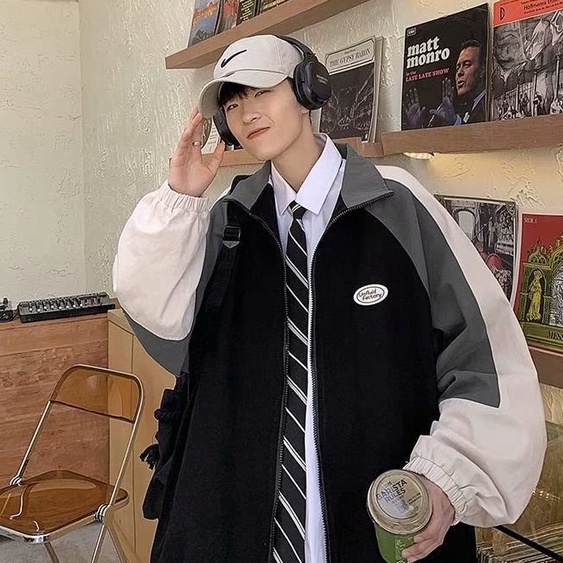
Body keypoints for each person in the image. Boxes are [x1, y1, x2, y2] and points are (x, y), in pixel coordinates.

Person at [113, 34, 546, 563]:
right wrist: (180, 196)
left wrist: (445, 479)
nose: (246, 112)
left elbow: (485, 361)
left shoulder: (398, 204)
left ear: (307, 90)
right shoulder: (229, 221)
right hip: (238, 516)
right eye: (233, 101)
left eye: (260, 91)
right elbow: (163, 326)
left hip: (378, 520)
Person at [404, 39, 487, 128]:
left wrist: (455, 121)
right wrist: (417, 128)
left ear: (482, 70)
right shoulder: (461, 110)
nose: (459, 72)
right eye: (457, 68)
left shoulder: (490, 105)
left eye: (466, 65)